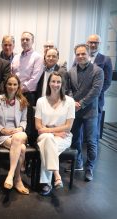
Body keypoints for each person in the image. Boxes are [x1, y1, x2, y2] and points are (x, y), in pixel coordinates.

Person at [67, 44, 103, 181]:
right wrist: (72, 101)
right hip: (75, 111)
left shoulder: (98, 71)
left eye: (83, 54)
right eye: (78, 54)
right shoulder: (71, 71)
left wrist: (80, 104)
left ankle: (90, 168)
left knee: (91, 141)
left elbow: (95, 91)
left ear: (89, 54)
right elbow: (68, 89)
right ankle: (79, 163)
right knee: (75, 139)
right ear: (75, 55)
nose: (80, 56)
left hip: (90, 112)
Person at [35, 72, 75, 195]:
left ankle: (46, 183)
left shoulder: (69, 101)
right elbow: (38, 126)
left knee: (47, 143)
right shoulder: (41, 101)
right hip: (46, 136)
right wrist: (55, 132)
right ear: (49, 83)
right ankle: (56, 175)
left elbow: (68, 127)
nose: (55, 84)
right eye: (53, 81)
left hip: (63, 137)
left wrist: (48, 130)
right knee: (48, 139)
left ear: (62, 84)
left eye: (58, 82)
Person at [0, 74, 29, 195]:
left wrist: (20, 128)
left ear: (18, 86)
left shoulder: (22, 101)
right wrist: (3, 130)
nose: (12, 87)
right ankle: (17, 179)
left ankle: (10, 174)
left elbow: (24, 120)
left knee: (18, 137)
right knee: (21, 148)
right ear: (5, 85)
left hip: (19, 133)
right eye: (9, 84)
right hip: (2, 135)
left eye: (15, 84)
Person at [11, 31, 43, 144]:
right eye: (22, 39)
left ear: (32, 41)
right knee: (15, 119)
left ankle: (26, 145)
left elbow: (35, 79)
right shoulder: (15, 57)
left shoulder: (37, 57)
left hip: (27, 94)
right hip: (13, 94)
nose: (24, 41)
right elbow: (11, 75)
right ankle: (15, 142)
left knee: (27, 121)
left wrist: (19, 90)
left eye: (27, 39)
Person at [86, 34, 113, 141]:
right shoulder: (81, 56)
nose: (93, 45)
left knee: (94, 130)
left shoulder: (106, 60)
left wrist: (93, 95)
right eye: (90, 42)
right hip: (81, 99)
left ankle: (92, 155)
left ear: (99, 44)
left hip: (96, 100)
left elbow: (107, 82)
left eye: (95, 42)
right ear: (87, 43)